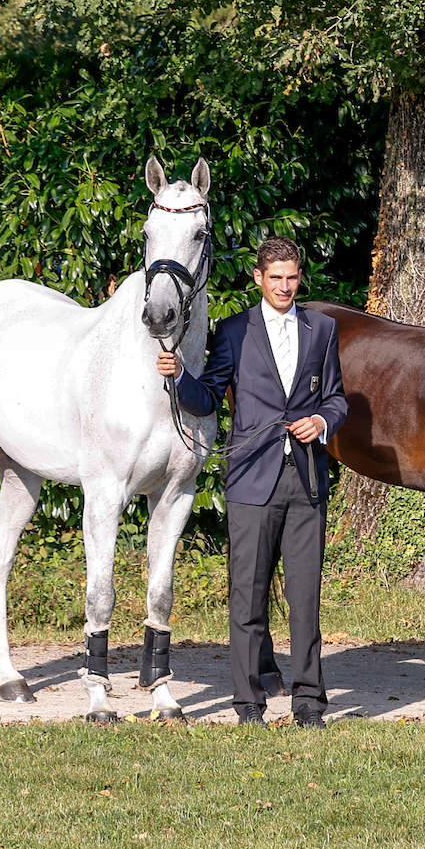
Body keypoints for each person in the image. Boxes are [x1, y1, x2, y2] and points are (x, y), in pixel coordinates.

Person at [160, 237, 348, 727]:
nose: (285, 286)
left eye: (292, 277)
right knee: (247, 599)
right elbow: (205, 399)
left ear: (298, 278)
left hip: (306, 479)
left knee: (305, 600)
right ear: (259, 279)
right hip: (250, 480)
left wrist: (323, 423)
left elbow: (337, 398)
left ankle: (309, 703)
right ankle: (249, 705)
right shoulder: (235, 331)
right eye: (276, 278)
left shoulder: (322, 329)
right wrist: (179, 375)